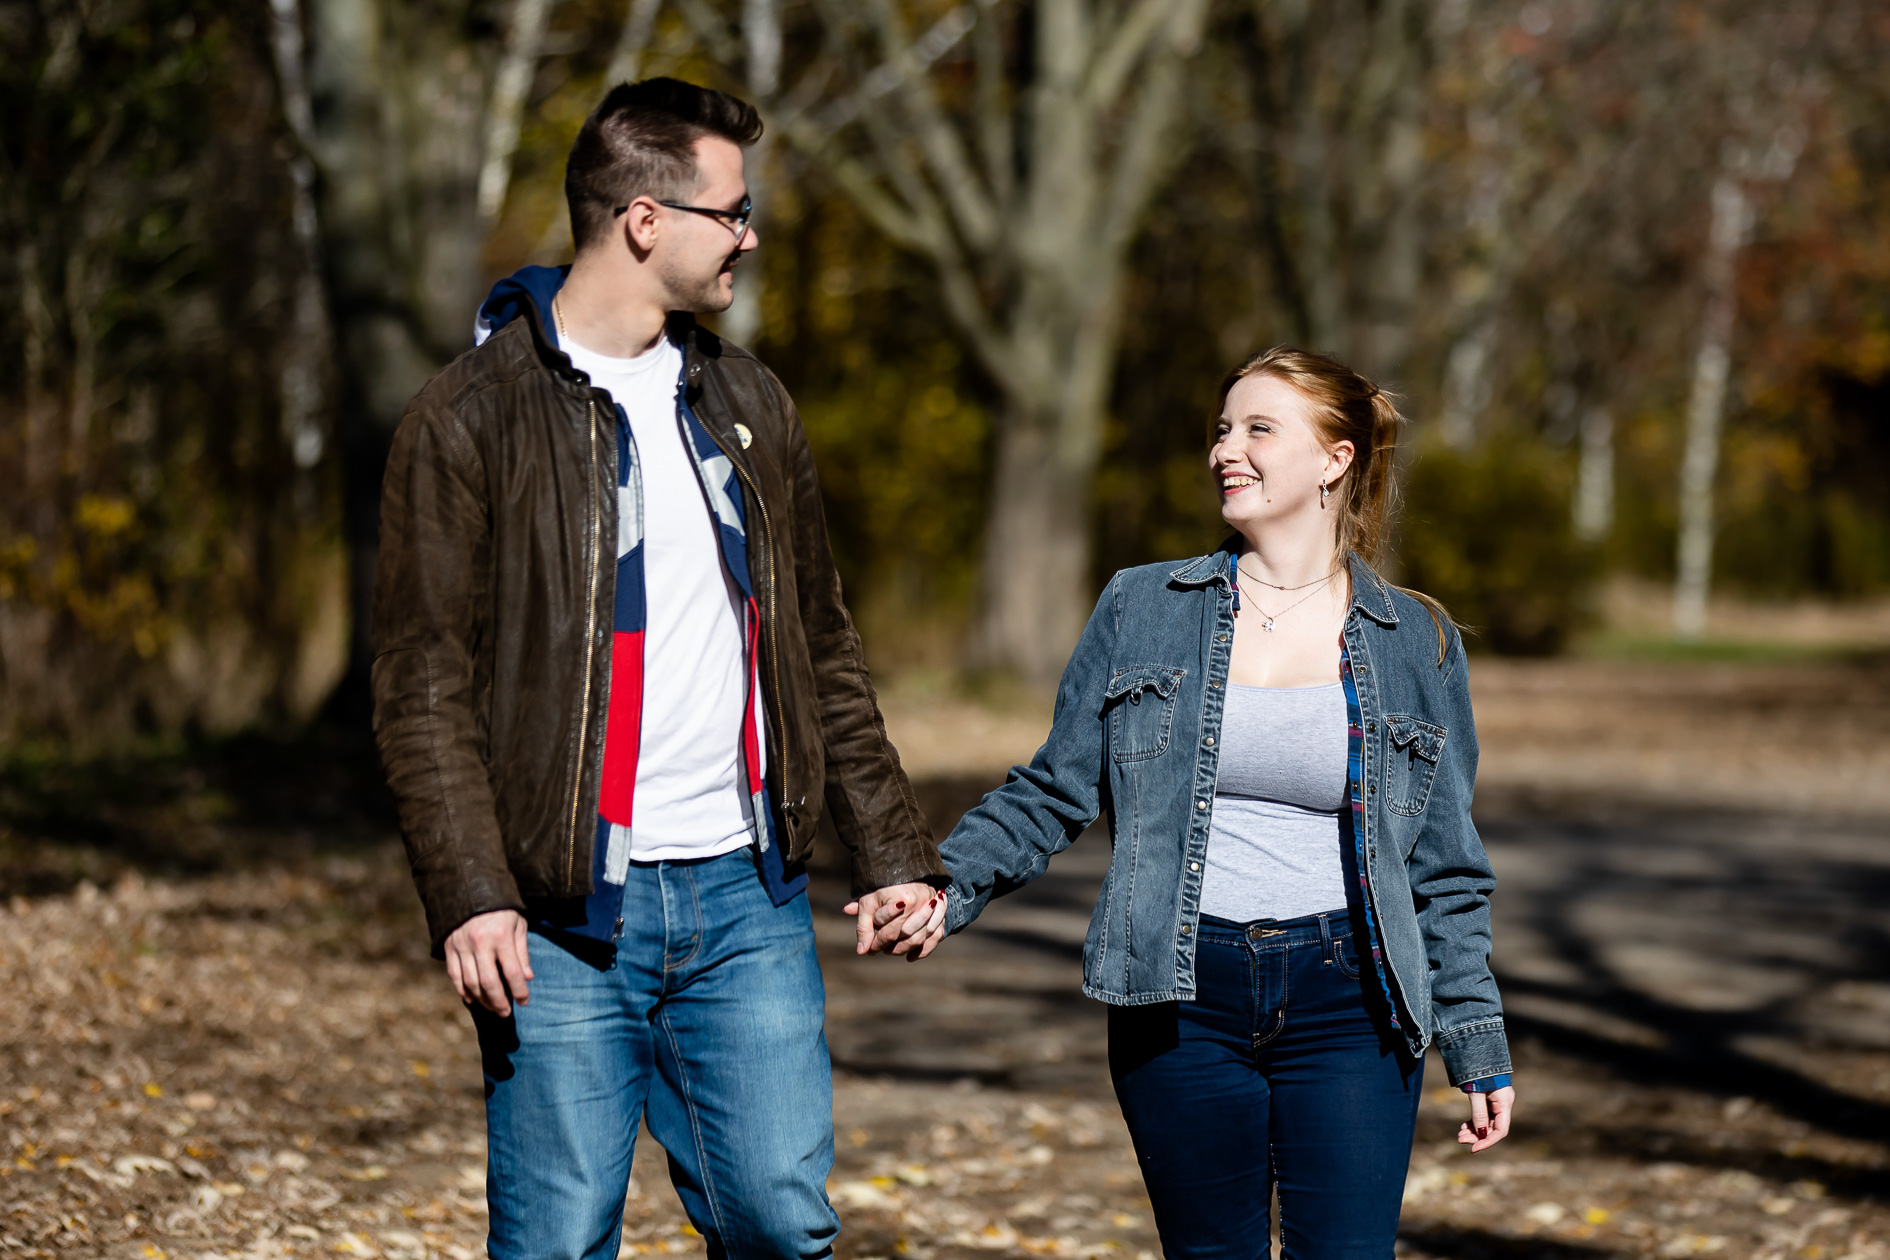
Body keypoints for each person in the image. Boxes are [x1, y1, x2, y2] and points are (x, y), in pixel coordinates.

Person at [371, 78, 948, 1260]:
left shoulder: (745, 400)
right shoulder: (468, 419)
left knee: (783, 1229)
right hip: (564, 915)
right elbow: (421, 685)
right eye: (731, 212)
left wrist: (890, 848)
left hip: (748, 898)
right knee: (559, 1242)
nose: (748, 234)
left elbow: (820, 643)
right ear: (645, 218)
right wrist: (470, 888)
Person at [893, 347, 1514, 1256]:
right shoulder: (1142, 606)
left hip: (1354, 998)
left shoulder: (1414, 639)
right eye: (1224, 429)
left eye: (1260, 428)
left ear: (1335, 459)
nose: (1228, 449)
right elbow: (1056, 786)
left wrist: (1474, 1031)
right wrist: (947, 886)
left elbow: (1445, 864)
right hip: (1178, 994)